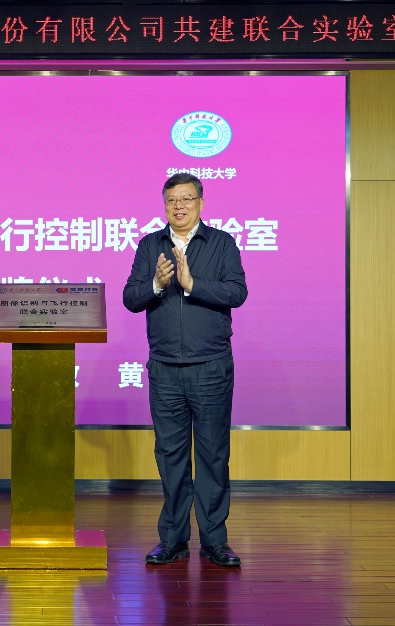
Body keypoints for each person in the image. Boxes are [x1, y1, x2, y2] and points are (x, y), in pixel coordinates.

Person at [123, 172, 248, 567]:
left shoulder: (222, 243)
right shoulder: (150, 245)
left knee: (213, 455)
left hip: (211, 367)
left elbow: (237, 292)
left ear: (200, 203)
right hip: (164, 369)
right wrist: (157, 285)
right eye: (171, 200)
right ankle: (173, 538)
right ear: (164, 206)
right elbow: (130, 298)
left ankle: (215, 541)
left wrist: (192, 283)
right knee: (170, 456)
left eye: (187, 199)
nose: (179, 206)